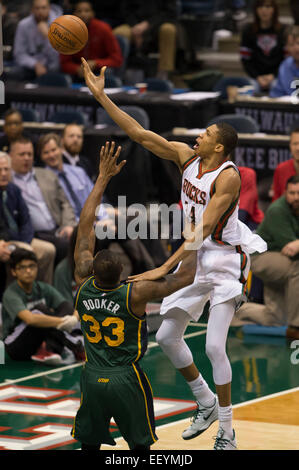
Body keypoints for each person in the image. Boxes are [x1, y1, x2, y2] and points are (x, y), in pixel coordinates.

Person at [80, 58, 267, 449]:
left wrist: (162, 268)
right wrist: (102, 96)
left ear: (220, 146)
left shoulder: (228, 177)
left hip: (225, 258)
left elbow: (200, 232)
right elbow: (138, 131)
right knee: (166, 336)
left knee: (215, 345)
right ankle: (205, 401)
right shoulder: (186, 157)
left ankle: (228, 432)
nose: (199, 135)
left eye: (207, 133)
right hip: (194, 255)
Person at [71, 141, 197, 451]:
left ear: (91, 269)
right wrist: (196, 231)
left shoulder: (82, 283)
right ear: (123, 271)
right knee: (140, 447)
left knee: (89, 444)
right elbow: (186, 276)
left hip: (92, 375)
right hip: (125, 378)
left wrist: (102, 178)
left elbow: (84, 228)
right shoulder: (136, 292)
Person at [235, 175, 299, 339]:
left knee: (276, 318)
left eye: (298, 193)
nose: (296, 197)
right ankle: (295, 325)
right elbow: (291, 248)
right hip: (261, 257)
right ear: (285, 193)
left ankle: (239, 310)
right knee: (297, 268)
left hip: (280, 259)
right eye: (292, 193)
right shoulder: (278, 210)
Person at [1, 248, 83, 365]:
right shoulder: (11, 293)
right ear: (14, 271)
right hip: (15, 346)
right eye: (22, 267)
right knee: (39, 311)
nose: (28, 271)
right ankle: (75, 344)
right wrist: (63, 321)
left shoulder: (42, 287)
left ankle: (49, 350)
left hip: (36, 341)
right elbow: (30, 319)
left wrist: (73, 318)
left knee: (66, 308)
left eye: (32, 266)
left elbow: (68, 307)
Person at [9, 136, 77, 265]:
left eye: (29, 154)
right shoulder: (8, 181)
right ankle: (67, 284)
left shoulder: (47, 175)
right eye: (22, 154)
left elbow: (65, 204)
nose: (26, 158)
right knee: (65, 246)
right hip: (34, 233)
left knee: (90, 237)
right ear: (11, 156)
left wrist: (68, 225)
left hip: (58, 228)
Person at [0, 151, 56, 285]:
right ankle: (15, 295)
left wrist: (25, 241)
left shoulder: (14, 190)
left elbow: (26, 221)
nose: (3, 173)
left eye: (6, 169)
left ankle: (42, 291)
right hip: (3, 242)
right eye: (0, 170)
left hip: (20, 239)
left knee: (49, 250)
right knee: (26, 253)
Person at [111, 0, 178, 80]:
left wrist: (147, 24)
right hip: (133, 25)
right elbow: (125, 10)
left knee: (168, 30)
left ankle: (164, 74)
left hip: (158, 24)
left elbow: (170, 12)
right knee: (120, 33)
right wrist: (135, 27)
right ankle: (117, 75)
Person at [60, 1, 123, 83]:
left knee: (108, 73)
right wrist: (76, 69)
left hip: (100, 74)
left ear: (93, 13)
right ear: (74, 14)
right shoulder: (68, 32)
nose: (83, 14)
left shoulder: (103, 29)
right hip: (77, 75)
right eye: (79, 11)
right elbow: (64, 63)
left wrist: (96, 63)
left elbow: (117, 59)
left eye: (87, 11)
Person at [240, 0, 286, 94]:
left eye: (268, 7)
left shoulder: (283, 30)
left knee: (276, 87)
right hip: (255, 77)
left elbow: (287, 60)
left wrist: (273, 75)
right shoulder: (248, 31)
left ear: (274, 10)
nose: (264, 10)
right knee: (250, 90)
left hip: (278, 76)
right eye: (260, 7)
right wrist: (257, 77)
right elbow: (245, 60)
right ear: (256, 10)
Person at [11, 0, 60, 81]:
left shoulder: (59, 24)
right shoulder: (23, 25)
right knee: (14, 73)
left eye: (43, 8)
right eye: (37, 8)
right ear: (32, 9)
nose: (40, 11)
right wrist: (35, 64)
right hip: (30, 67)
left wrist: (47, 36)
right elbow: (19, 54)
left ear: (49, 8)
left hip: (51, 67)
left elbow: (57, 57)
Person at [270, 25, 299, 97]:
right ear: (286, 47)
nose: (297, 49)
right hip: (289, 107)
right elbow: (277, 94)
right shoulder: (285, 66)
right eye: (291, 45)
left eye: (298, 43)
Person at [272, 126, 299, 201]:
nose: (298, 148)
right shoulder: (281, 169)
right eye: (295, 144)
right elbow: (275, 201)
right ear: (290, 146)